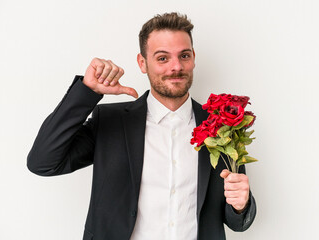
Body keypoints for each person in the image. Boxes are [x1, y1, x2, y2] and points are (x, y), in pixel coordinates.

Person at [27, 12, 256, 240]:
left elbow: (237, 222)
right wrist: (88, 91)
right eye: (163, 58)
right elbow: (43, 163)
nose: (176, 67)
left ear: (193, 58)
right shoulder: (111, 121)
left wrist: (241, 205)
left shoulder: (223, 125)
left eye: (184, 56)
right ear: (142, 63)